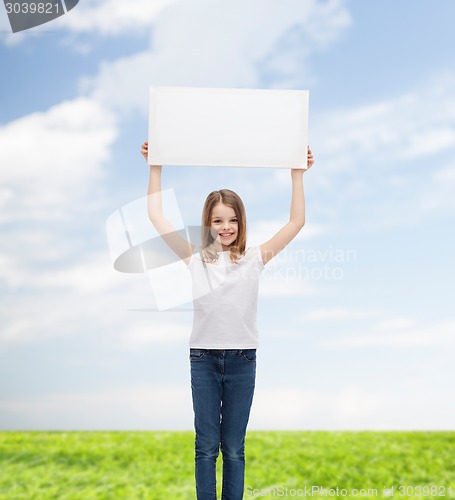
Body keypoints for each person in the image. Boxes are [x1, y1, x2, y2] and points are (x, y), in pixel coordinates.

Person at [141, 141, 314, 500]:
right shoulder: (195, 257)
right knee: (206, 447)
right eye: (218, 220)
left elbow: (296, 222)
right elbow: (156, 217)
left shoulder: (254, 258)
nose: (226, 226)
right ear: (207, 223)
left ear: (241, 222)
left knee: (233, 448)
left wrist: (297, 175)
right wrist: (155, 166)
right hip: (203, 360)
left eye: (232, 219)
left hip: (242, 360)